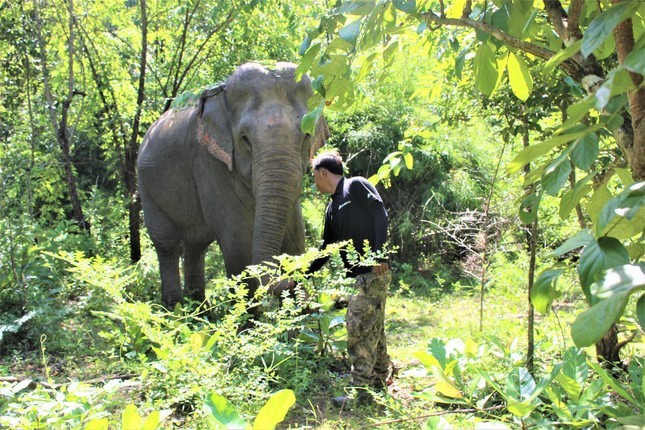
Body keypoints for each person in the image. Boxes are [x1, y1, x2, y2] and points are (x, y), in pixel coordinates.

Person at [307, 151, 393, 407]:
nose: (314, 182)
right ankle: (378, 384)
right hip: (359, 277)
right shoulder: (332, 208)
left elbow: (380, 214)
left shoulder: (354, 185)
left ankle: (361, 395)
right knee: (373, 326)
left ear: (323, 173)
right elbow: (326, 248)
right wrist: (300, 273)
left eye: (314, 176)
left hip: (374, 272)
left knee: (357, 327)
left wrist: (378, 255)